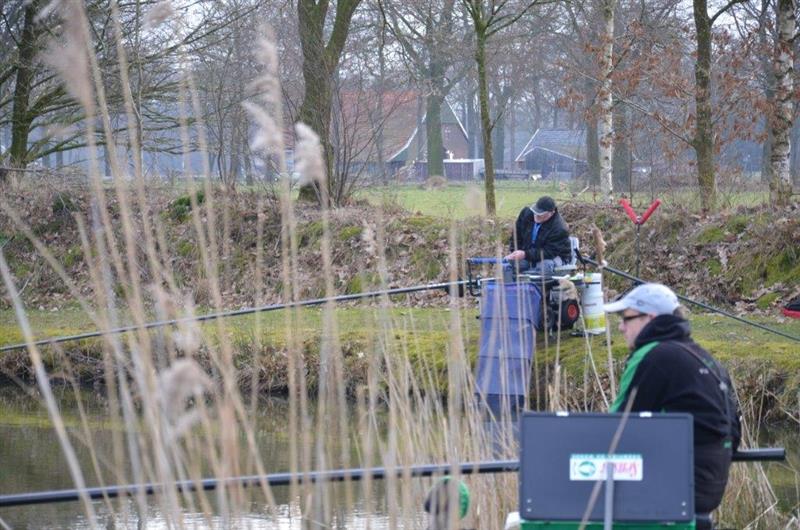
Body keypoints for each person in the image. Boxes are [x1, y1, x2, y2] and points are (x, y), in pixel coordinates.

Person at [604, 283, 741, 529]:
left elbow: (616, 428)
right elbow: (734, 432)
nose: (621, 327)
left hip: (673, 487)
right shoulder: (704, 357)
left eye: (626, 318)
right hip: (711, 487)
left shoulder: (652, 355)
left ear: (650, 318)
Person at [505, 196, 572, 275]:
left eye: (541, 214)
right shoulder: (525, 214)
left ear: (552, 213)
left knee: (545, 266)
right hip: (529, 254)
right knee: (509, 264)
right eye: (535, 212)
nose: (536, 215)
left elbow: (549, 252)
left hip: (553, 257)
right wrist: (515, 253)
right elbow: (516, 236)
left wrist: (525, 254)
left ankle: (541, 283)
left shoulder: (560, 228)